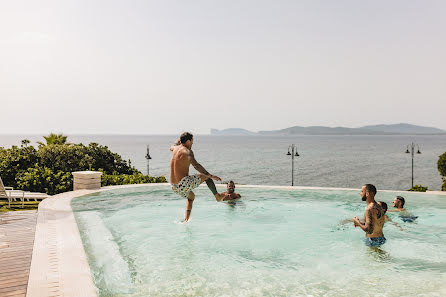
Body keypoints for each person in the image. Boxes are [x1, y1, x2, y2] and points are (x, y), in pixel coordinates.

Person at [170, 132, 226, 222]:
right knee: (206, 177)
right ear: (188, 141)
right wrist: (211, 176)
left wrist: (177, 142)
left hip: (174, 186)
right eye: (192, 141)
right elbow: (196, 165)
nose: (192, 143)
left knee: (191, 197)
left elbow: (171, 146)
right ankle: (217, 196)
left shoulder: (175, 148)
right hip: (183, 183)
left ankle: (186, 219)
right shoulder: (187, 151)